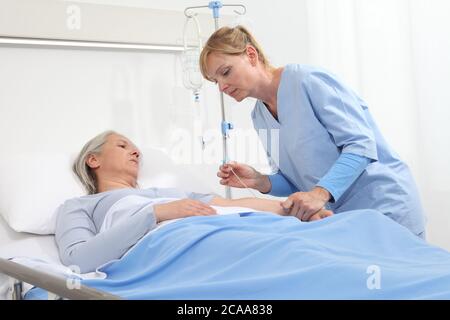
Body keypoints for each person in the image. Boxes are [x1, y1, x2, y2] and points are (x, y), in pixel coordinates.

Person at [199, 25, 426, 239]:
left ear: (250, 55)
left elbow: (361, 146)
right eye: (215, 81)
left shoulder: (307, 81)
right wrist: (260, 181)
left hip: (384, 205)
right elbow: (297, 181)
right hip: (341, 218)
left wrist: (319, 194)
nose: (221, 87)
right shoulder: (259, 116)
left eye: (225, 72)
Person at [55, 131, 332, 273]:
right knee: (288, 255)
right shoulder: (79, 206)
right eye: (123, 145)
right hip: (177, 241)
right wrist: (157, 213)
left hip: (227, 227)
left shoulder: (171, 192)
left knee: (310, 241)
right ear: (94, 160)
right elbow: (78, 260)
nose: (136, 152)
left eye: (136, 148)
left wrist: (296, 210)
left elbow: (229, 205)